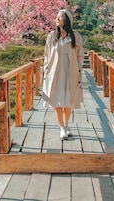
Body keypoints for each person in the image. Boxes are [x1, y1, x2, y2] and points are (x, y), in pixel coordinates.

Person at [41, 9, 84, 140]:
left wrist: (79, 70)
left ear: (66, 20)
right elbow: (47, 55)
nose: (57, 19)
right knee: (57, 101)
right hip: (55, 73)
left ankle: (66, 125)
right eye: (57, 17)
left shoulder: (75, 37)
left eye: (60, 17)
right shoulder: (52, 36)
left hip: (70, 72)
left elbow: (80, 55)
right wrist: (46, 69)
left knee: (69, 101)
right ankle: (62, 128)